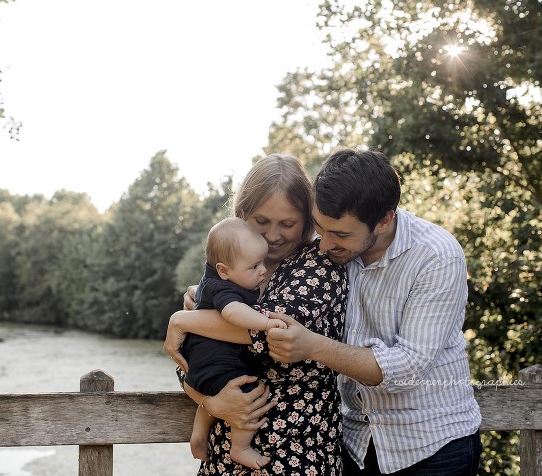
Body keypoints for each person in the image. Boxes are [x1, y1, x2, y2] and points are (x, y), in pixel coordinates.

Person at [265, 148, 482, 475]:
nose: (323, 245)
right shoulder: (327, 244)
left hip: (432, 448)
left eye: (340, 234)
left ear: (384, 219)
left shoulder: (437, 256)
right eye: (320, 229)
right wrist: (211, 296)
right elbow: (255, 268)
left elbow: (408, 367)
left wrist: (312, 346)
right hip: (354, 443)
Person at [165, 153, 349, 476]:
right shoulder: (229, 266)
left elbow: (270, 335)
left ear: (307, 220)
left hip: (295, 453)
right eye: (261, 222)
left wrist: (183, 320)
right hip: (224, 459)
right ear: (242, 213)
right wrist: (209, 402)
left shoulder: (318, 266)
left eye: (287, 224)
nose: (273, 235)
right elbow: (191, 356)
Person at [181, 217, 286, 469]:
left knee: (214, 392)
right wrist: (266, 322)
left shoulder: (213, 280)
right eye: (254, 267)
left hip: (202, 366)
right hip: (220, 364)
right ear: (224, 269)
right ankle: (240, 448)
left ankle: (198, 435)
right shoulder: (225, 290)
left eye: (263, 263)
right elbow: (232, 313)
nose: (262, 270)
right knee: (248, 394)